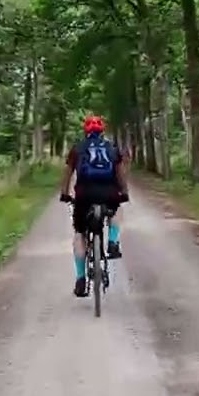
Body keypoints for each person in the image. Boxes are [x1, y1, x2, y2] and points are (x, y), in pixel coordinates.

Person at [58, 114, 129, 297]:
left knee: (79, 233)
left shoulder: (78, 148)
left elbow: (67, 173)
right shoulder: (112, 148)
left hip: (84, 194)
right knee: (116, 210)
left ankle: (81, 279)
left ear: (86, 131)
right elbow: (120, 172)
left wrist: (65, 193)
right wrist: (124, 192)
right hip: (108, 192)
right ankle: (112, 243)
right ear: (102, 131)